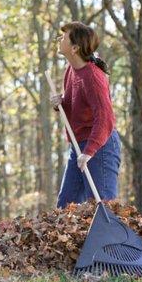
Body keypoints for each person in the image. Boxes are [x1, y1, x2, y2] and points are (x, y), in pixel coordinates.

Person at [50, 21, 121, 208]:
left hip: (100, 147)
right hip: (78, 144)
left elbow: (105, 119)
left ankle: (112, 238)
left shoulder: (93, 76)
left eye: (64, 37)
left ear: (74, 48)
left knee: (101, 208)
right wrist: (62, 103)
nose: (59, 39)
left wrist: (89, 152)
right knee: (66, 207)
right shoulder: (71, 70)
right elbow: (81, 104)